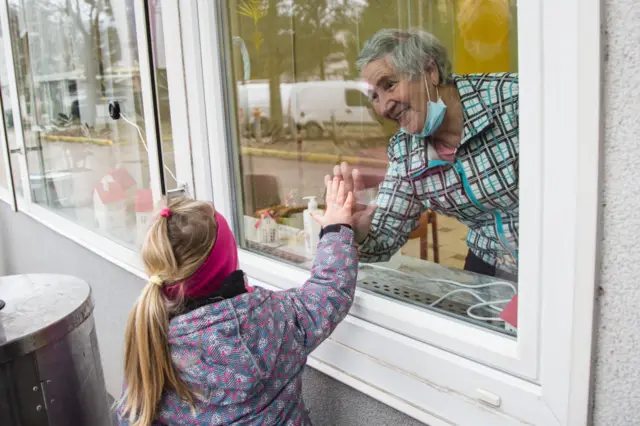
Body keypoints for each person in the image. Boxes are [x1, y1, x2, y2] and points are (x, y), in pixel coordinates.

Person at [117, 178, 357, 426]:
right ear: (227, 261)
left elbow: (132, 415)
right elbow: (329, 291)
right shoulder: (274, 318)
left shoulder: (151, 344)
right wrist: (335, 229)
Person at [331, 28, 519, 281]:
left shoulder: (514, 101)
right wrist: (359, 231)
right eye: (374, 96)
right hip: (490, 262)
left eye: (390, 85)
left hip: (559, 255)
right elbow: (385, 235)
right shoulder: (405, 151)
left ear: (430, 71)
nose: (384, 107)